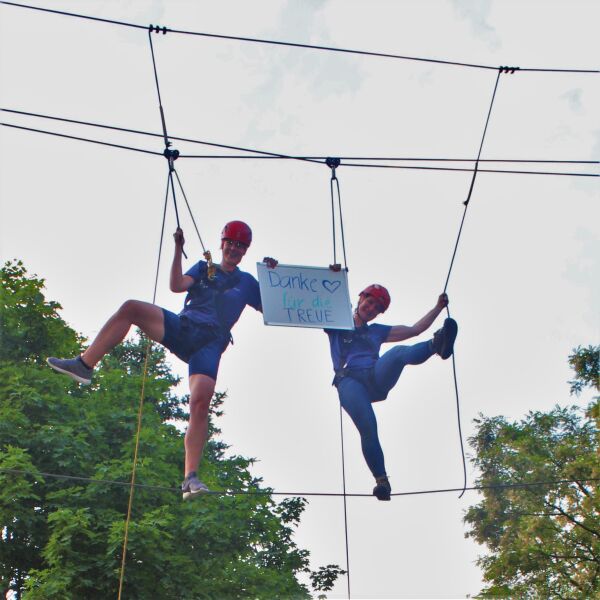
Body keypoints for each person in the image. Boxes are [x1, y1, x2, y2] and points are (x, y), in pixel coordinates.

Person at [47, 221, 275, 500]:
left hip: (210, 344)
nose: (234, 250)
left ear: (245, 251)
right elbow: (177, 285)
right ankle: (84, 365)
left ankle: (190, 478)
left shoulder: (247, 283)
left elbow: (273, 308)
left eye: (241, 246)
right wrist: (178, 249)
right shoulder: (205, 269)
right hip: (184, 328)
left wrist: (272, 276)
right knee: (131, 308)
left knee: (200, 403)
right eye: (231, 243)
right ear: (222, 243)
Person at [324, 284, 458, 501]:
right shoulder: (337, 322)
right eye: (369, 302)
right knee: (368, 425)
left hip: (375, 377)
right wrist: (332, 277)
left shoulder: (377, 331)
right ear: (360, 299)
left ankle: (437, 344)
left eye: (376, 307)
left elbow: (414, 330)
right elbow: (313, 308)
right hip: (349, 381)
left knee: (396, 353)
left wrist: (438, 308)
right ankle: (381, 480)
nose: (371, 307)